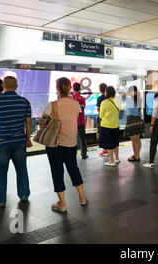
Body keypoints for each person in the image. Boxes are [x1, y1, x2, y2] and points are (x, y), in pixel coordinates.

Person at [0, 76, 32, 207]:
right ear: (17, 86)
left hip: (1, 141)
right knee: (22, 169)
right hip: (19, 141)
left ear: (3, 85)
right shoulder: (24, 102)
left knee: (0, 171)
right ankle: (24, 195)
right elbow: (28, 122)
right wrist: (28, 139)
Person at [43, 78, 87, 213]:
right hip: (71, 142)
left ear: (57, 88)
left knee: (57, 171)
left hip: (54, 143)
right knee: (73, 168)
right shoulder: (75, 104)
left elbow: (43, 122)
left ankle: (62, 204)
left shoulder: (52, 105)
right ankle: (82, 197)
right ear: (69, 88)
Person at [99, 86, 121, 166]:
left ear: (106, 92)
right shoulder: (117, 101)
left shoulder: (104, 102)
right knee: (115, 143)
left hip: (106, 126)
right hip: (116, 125)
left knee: (108, 143)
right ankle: (117, 158)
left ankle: (111, 161)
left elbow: (101, 115)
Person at [124, 86, 144, 162]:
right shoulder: (139, 99)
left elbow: (121, 96)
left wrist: (127, 93)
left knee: (134, 140)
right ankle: (137, 155)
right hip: (138, 120)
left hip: (131, 120)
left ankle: (136, 156)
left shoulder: (129, 99)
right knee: (137, 139)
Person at [71, 82, 88, 159]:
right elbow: (83, 107)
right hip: (81, 121)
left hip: (72, 121)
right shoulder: (83, 98)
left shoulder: (70, 98)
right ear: (80, 88)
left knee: (72, 139)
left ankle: (72, 154)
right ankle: (84, 154)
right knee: (82, 138)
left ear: (72, 88)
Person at [96, 83, 108, 157]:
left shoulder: (100, 98)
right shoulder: (109, 97)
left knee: (102, 134)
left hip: (102, 118)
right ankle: (109, 149)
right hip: (108, 118)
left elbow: (98, 109)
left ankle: (105, 150)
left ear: (100, 89)